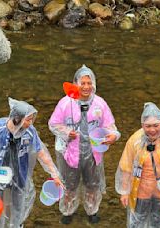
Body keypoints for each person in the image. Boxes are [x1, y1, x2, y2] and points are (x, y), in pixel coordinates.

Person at [48, 64, 120, 224]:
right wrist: (67, 133)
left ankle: (92, 210)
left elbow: (110, 126)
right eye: (83, 83)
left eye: (89, 83)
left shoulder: (100, 104)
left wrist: (113, 136)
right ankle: (67, 211)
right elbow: (53, 124)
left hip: (93, 152)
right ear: (76, 84)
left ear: (94, 84)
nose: (86, 87)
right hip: (68, 152)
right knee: (69, 183)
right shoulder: (66, 103)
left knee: (92, 183)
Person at [0, 97, 63, 228]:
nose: (31, 123)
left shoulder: (30, 132)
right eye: (28, 119)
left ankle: (16, 225)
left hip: (19, 175)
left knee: (18, 206)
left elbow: (41, 153)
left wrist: (54, 173)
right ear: (17, 118)